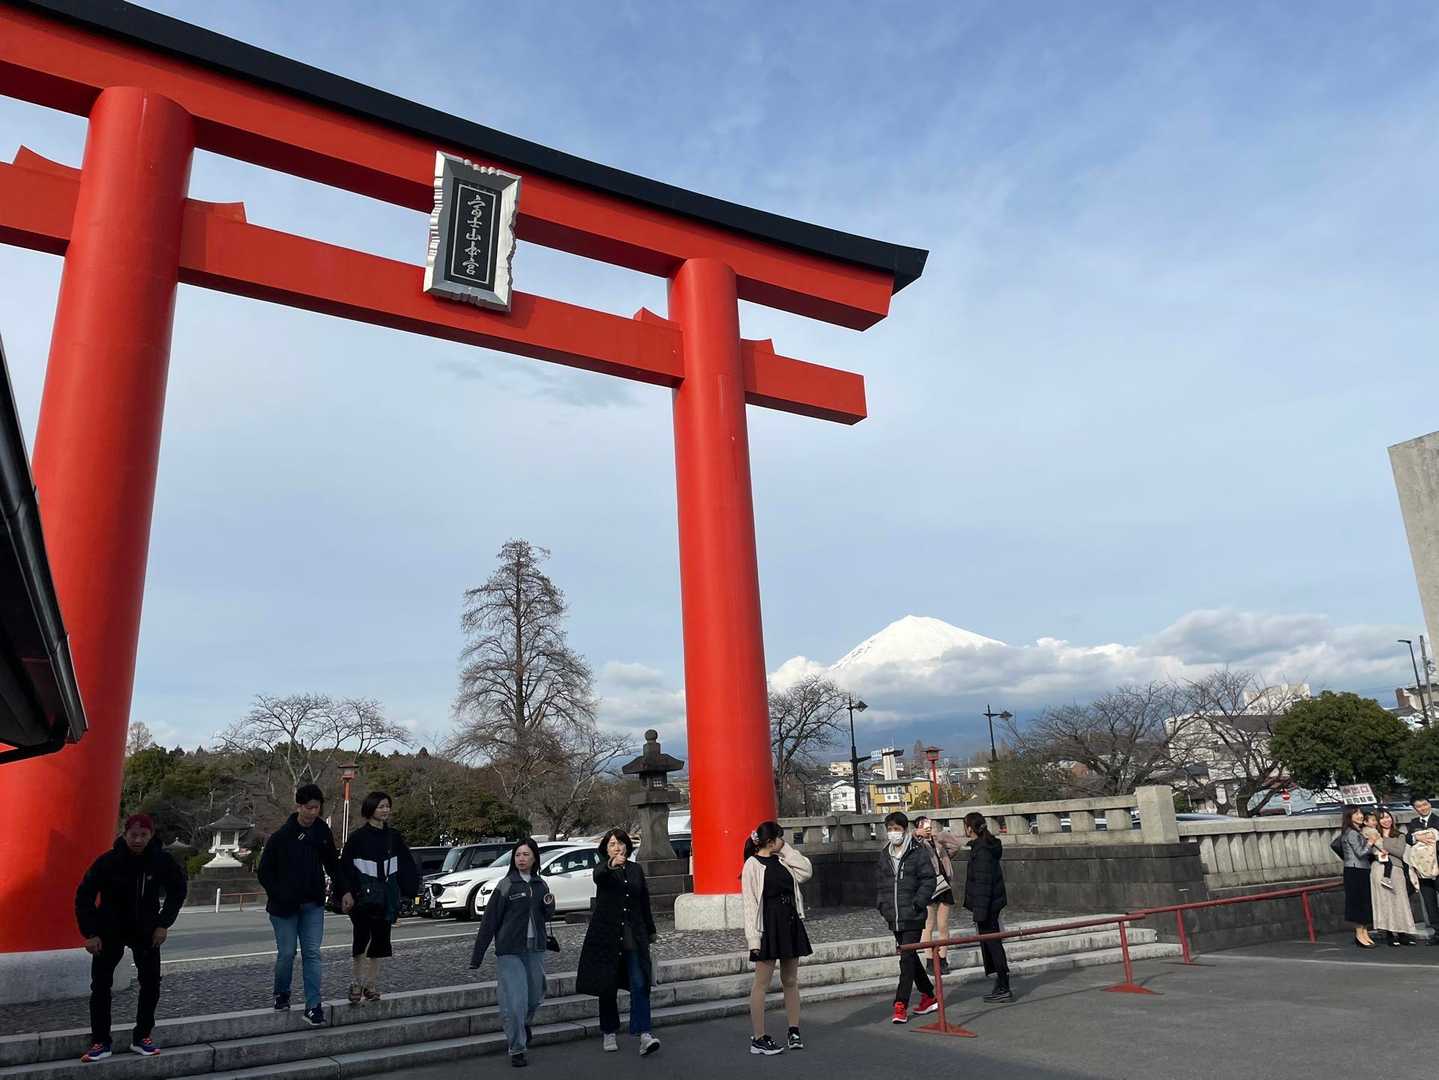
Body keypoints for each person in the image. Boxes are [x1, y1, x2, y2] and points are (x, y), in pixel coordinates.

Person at [74, 813, 187, 1063]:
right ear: (124, 834)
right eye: (133, 835)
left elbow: (178, 890)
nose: (138, 840)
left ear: (151, 835)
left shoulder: (161, 861)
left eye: (143, 835)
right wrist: (90, 932)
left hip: (147, 930)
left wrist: (163, 924)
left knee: (151, 983)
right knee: (101, 986)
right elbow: (84, 895)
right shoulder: (108, 861)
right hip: (109, 929)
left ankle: (142, 1036)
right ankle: (100, 1041)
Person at [257, 783, 352, 1025]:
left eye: (316, 808)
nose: (312, 813)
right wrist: (279, 894)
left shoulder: (321, 832)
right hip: (284, 907)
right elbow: (264, 872)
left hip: (313, 902)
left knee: (312, 953)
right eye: (308, 808)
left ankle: (313, 1006)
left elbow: (332, 863)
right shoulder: (281, 837)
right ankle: (282, 992)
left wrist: (344, 891)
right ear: (299, 806)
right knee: (287, 953)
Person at [470, 838, 555, 1068]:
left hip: (535, 948)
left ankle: (524, 1024)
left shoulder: (541, 884)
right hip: (510, 950)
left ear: (535, 858)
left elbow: (547, 915)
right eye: (518, 855)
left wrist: (549, 906)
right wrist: (477, 955)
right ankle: (517, 1048)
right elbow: (489, 921)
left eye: (526, 855)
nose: (521, 859)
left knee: (535, 997)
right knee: (515, 1001)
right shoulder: (506, 884)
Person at [575, 828, 660, 1056]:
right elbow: (599, 875)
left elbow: (644, 901)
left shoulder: (635, 870)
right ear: (606, 848)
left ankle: (644, 1033)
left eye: (620, 843)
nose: (617, 847)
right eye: (612, 844)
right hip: (607, 936)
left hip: (633, 934)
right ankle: (609, 1030)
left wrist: (651, 930)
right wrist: (611, 864)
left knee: (639, 982)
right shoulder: (603, 869)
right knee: (608, 984)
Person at [741, 820, 813, 1055]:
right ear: (770, 841)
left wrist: (786, 850)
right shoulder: (752, 865)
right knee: (761, 983)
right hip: (768, 925)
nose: (783, 841)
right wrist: (754, 940)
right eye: (780, 838)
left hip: (790, 921)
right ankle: (759, 1037)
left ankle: (794, 1030)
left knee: (790, 979)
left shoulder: (783, 859)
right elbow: (750, 905)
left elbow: (806, 871)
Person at [339, 790, 419, 1003]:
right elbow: (345, 868)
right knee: (361, 939)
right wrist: (346, 892)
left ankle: (371, 984)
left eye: (387, 806)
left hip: (386, 899)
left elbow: (406, 866)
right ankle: (356, 983)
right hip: (362, 898)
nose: (385, 810)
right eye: (381, 806)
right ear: (370, 809)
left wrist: (409, 892)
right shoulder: (357, 838)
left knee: (380, 942)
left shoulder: (394, 837)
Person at [875, 812, 938, 1024]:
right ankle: (929, 995)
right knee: (909, 957)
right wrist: (882, 905)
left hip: (913, 914)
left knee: (906, 958)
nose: (893, 833)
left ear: (905, 829)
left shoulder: (917, 852)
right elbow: (881, 883)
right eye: (890, 829)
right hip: (894, 915)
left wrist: (918, 902)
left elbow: (929, 880)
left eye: (897, 829)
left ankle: (900, 1003)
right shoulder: (885, 855)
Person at [962, 812, 1012, 1003]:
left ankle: (1003, 984)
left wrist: (979, 912)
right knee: (992, 943)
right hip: (990, 904)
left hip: (987, 905)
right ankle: (1001, 983)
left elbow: (983, 883)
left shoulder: (982, 850)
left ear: (970, 828)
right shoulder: (985, 846)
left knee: (993, 944)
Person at [913, 815, 964, 977]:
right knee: (928, 925)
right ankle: (929, 960)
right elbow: (907, 848)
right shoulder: (916, 843)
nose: (927, 827)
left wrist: (940, 835)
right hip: (926, 885)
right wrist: (918, 835)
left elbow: (956, 846)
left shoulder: (938, 841)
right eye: (923, 825)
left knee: (943, 925)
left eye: (929, 824)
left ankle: (943, 959)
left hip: (943, 884)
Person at [1371, 810, 1419, 946]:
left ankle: (1403, 932)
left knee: (1400, 900)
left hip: (1397, 869)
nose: (1386, 820)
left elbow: (1399, 852)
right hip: (1379, 869)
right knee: (1384, 901)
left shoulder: (1399, 835)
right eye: (1382, 818)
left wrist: (1380, 844)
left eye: (1388, 817)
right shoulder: (1373, 834)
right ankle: (1389, 933)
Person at [1335, 804, 1376, 948]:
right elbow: (1360, 853)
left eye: (1360, 813)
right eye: (1356, 813)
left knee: (1364, 902)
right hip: (1355, 870)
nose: (1360, 816)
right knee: (1358, 902)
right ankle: (1360, 934)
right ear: (1349, 816)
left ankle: (1364, 932)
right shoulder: (1352, 832)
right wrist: (1370, 843)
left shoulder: (1356, 831)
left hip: (1361, 869)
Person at [1404, 795, 1439, 942]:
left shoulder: (1437, 820)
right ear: (1414, 808)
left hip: (1437, 865)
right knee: (1429, 900)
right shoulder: (1414, 823)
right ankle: (1437, 931)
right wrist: (1417, 838)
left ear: (1429, 804)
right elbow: (1408, 839)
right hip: (1422, 869)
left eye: (1424, 804)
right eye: (1418, 806)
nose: (1422, 808)